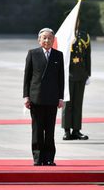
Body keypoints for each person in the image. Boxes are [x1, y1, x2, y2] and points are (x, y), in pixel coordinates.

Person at [23, 28, 64, 166]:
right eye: (44, 38)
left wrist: (60, 98)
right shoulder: (33, 54)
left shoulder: (58, 55)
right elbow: (27, 77)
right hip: (36, 98)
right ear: (39, 40)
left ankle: (49, 158)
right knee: (37, 130)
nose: (47, 40)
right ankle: (37, 157)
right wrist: (26, 96)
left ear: (53, 40)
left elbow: (61, 78)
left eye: (49, 38)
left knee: (50, 130)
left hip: (52, 99)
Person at [62, 18, 91, 140]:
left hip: (81, 74)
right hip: (68, 74)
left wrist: (88, 73)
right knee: (67, 104)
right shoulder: (65, 35)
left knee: (78, 104)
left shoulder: (84, 36)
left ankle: (76, 130)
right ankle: (67, 130)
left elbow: (87, 56)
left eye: (77, 20)